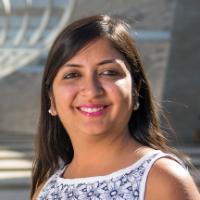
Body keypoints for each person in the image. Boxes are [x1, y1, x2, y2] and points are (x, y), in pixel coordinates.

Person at [31, 15, 200, 200]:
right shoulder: (45, 191)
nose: (92, 90)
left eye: (109, 72)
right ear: (51, 100)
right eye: (72, 74)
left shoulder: (163, 180)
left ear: (136, 91)